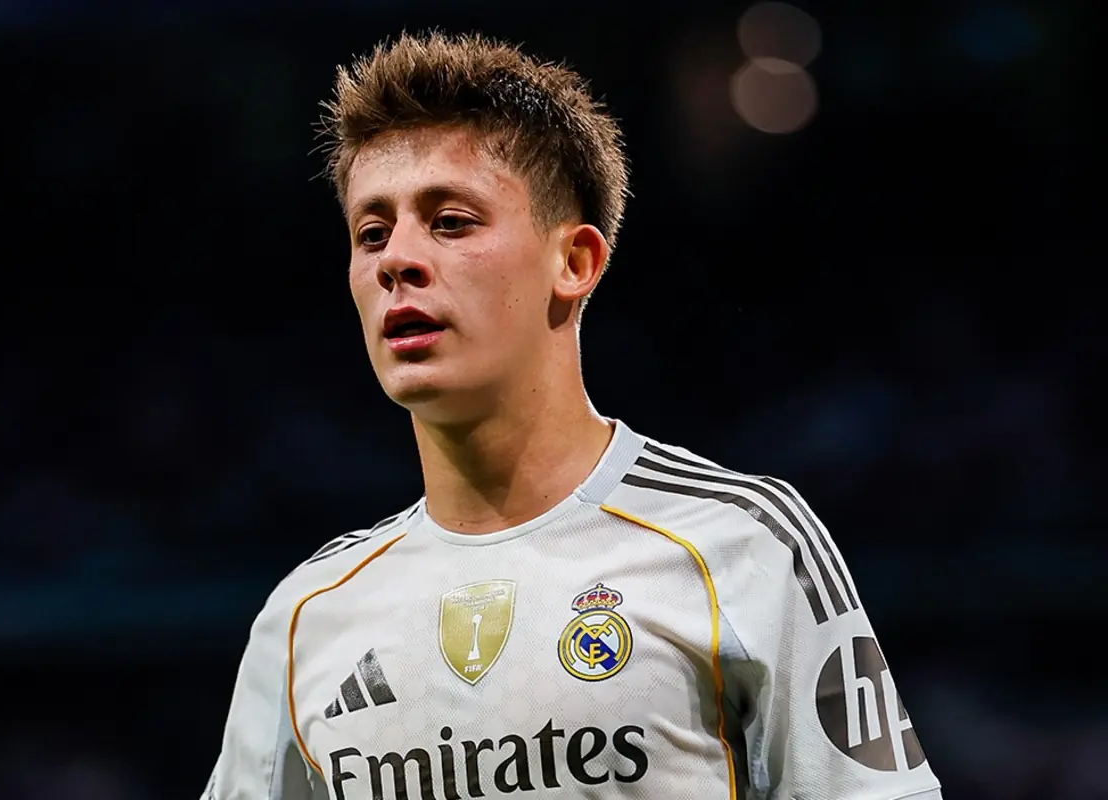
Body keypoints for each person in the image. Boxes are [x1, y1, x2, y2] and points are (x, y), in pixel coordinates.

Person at [202, 31, 943, 800]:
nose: (397, 260)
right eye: (371, 233)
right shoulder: (307, 617)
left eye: (450, 221)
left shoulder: (740, 543)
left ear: (575, 262)